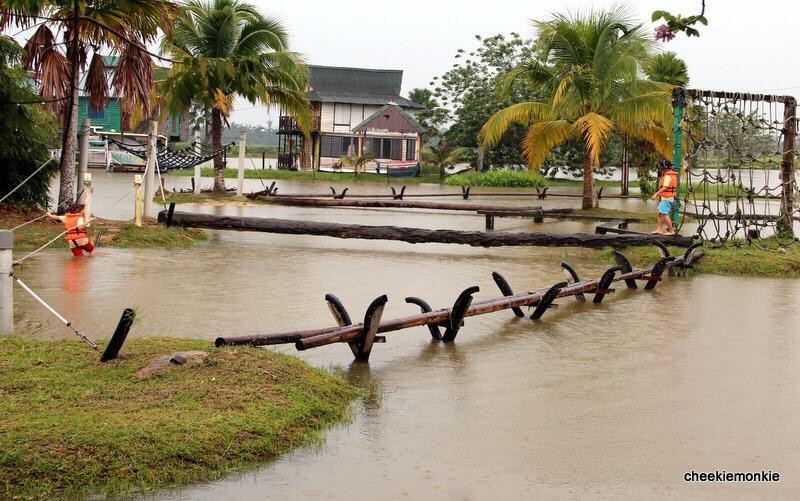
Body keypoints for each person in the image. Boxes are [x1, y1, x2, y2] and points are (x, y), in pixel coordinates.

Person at [650, 159, 678, 236]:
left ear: (665, 169)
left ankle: (672, 231)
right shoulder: (668, 175)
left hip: (667, 198)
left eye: (661, 169)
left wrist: (656, 194)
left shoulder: (667, 176)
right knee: (660, 213)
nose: (661, 171)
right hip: (666, 198)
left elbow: (665, 187)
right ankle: (659, 229)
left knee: (664, 214)